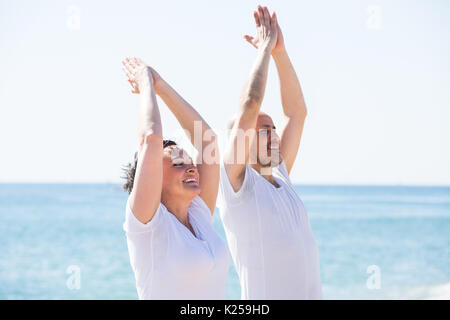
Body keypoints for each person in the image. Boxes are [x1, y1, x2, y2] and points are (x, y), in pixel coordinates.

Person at [217, 6, 322, 299]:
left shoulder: (280, 176)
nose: (274, 135)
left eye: (273, 128)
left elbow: (297, 113)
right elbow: (250, 105)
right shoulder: (235, 185)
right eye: (264, 130)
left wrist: (280, 53)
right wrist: (263, 50)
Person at [121, 57, 229, 299]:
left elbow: (208, 141)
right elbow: (151, 138)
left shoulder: (199, 215)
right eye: (179, 163)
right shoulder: (148, 224)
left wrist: (161, 86)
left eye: (190, 163)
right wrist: (145, 82)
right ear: (152, 176)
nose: (192, 168)